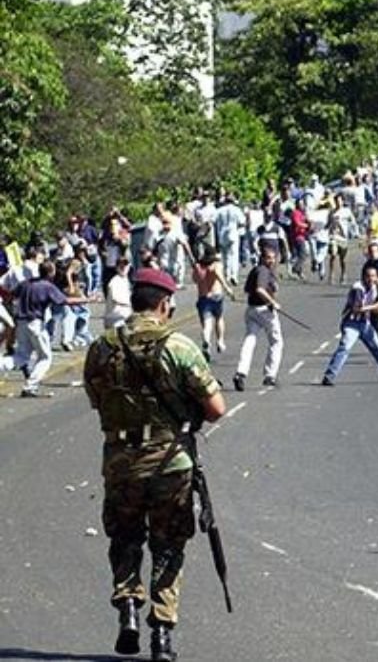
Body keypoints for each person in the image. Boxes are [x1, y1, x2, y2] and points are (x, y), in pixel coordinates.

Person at [83, 267, 226, 661]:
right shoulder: (179, 346)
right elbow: (216, 408)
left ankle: (128, 606)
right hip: (170, 461)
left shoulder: (101, 347)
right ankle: (162, 633)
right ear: (165, 303)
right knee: (168, 545)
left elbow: (97, 400)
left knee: (125, 538)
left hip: (120, 463)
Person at [7, 261, 93, 397]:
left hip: (21, 322)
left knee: (21, 356)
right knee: (45, 357)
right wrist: (86, 300)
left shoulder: (26, 283)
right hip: (35, 323)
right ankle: (30, 386)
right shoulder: (47, 287)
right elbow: (65, 301)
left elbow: (11, 294)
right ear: (50, 273)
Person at [321, 266, 378, 386]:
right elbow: (357, 309)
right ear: (363, 277)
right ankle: (329, 376)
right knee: (344, 348)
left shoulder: (375, 287)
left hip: (365, 323)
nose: (371, 279)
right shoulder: (358, 288)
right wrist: (375, 307)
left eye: (373, 276)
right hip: (351, 323)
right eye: (368, 276)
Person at [233, 249, 284, 392]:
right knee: (276, 341)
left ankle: (241, 373)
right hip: (264, 311)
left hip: (251, 310)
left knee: (250, 340)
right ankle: (270, 375)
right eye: (268, 258)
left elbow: (247, 290)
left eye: (273, 258)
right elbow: (260, 289)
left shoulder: (255, 271)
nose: (271, 261)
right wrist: (272, 302)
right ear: (262, 258)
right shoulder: (263, 272)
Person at [193, 251, 235, 362]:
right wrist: (227, 289)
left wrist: (199, 270)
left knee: (207, 324)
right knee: (219, 318)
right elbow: (219, 275)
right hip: (217, 295)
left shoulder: (198, 267)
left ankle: (206, 341)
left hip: (204, 297)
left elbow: (195, 280)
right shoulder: (217, 265)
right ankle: (220, 340)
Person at [104, 258, 133, 330]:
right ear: (116, 268)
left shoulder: (127, 280)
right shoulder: (114, 281)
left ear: (129, 267)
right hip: (115, 319)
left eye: (125, 266)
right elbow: (116, 299)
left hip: (124, 318)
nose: (123, 268)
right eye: (121, 266)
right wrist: (131, 304)